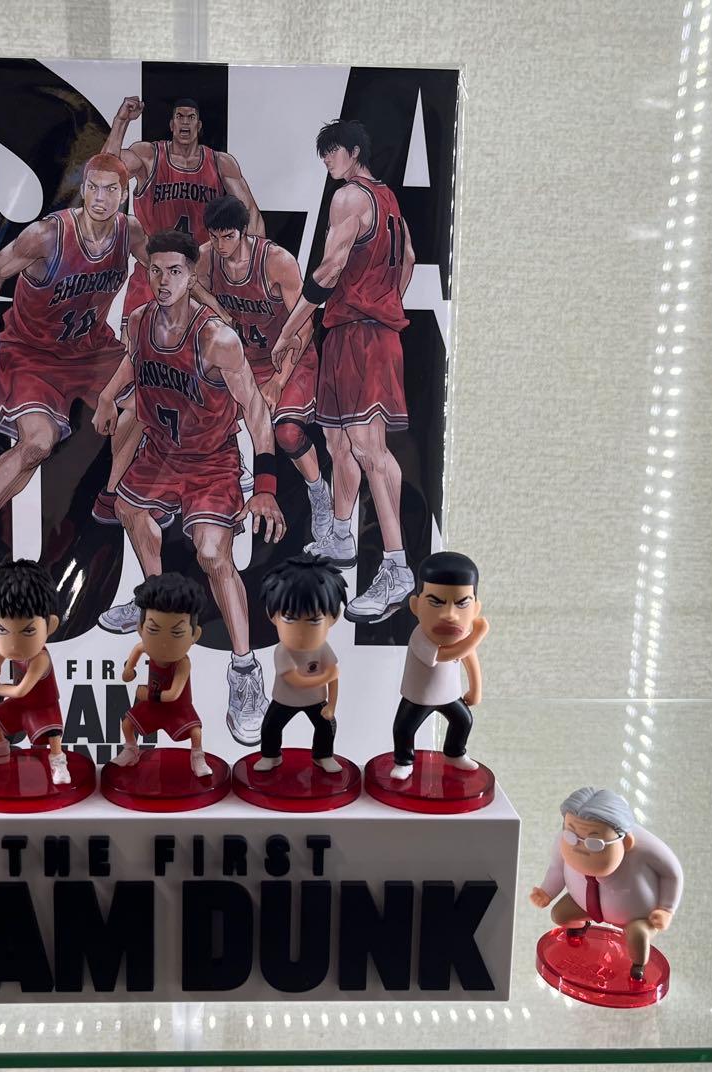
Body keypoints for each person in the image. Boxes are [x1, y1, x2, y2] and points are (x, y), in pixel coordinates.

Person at [0, 153, 191, 610]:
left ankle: (113, 495)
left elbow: (170, 273)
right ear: (83, 189)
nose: (100, 197)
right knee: (37, 445)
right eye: (93, 187)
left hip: (91, 350)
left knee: (153, 398)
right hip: (34, 354)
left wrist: (207, 315)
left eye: (111, 189)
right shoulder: (48, 234)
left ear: (123, 194)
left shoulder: (130, 232)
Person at [92, 229, 286, 746]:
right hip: (161, 453)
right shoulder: (139, 321)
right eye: (155, 270)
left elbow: (256, 410)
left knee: (212, 554)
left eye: (175, 271)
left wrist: (266, 485)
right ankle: (155, 599)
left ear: (191, 275)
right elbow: (134, 361)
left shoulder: (216, 338)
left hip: (210, 460)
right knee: (129, 509)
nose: (163, 281)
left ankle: (244, 670)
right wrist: (109, 396)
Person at [93, 96, 265, 523]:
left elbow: (252, 217)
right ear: (170, 124)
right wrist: (120, 123)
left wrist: (249, 266)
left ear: (199, 124)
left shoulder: (220, 163)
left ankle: (214, 466)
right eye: (178, 117)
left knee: (208, 383)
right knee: (139, 396)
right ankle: (117, 488)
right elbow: (106, 173)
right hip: (150, 283)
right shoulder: (150, 156)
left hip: (198, 280)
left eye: (191, 117)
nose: (185, 123)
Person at [272, 119, 417, 623]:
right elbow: (408, 258)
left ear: (354, 151)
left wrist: (291, 327)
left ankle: (396, 568)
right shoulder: (389, 200)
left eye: (332, 151)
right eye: (323, 154)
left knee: (370, 451)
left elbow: (329, 269)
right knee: (338, 442)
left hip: (361, 333)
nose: (326, 161)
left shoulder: (350, 196)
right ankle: (339, 534)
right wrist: (386, 300)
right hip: (355, 330)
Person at [197, 194, 332, 541]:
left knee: (286, 432)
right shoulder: (206, 257)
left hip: (286, 358)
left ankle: (318, 491)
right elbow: (192, 289)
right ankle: (235, 482)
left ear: (244, 231)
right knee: (201, 416)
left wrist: (278, 381)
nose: (221, 245)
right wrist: (215, 308)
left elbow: (304, 326)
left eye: (228, 237)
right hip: (243, 361)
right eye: (215, 237)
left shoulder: (275, 262)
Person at [530, 787, 684, 980]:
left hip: (636, 916)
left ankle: (637, 967)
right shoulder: (566, 837)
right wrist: (547, 892)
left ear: (626, 842)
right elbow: (556, 867)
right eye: (571, 836)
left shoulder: (647, 848)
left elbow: (673, 874)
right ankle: (580, 927)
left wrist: (666, 909)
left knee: (638, 935)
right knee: (560, 914)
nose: (579, 848)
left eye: (594, 843)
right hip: (583, 903)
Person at [0, 559, 70, 785]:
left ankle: (58, 761)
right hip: (21, 705)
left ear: (50, 626)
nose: (13, 644)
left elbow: (21, 690)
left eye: (28, 631)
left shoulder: (40, 659)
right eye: (2, 630)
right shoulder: (16, 651)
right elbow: (5, 652)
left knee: (52, 736)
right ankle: (0, 750)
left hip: (42, 706)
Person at [391, 551, 489, 780]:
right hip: (419, 697)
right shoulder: (419, 637)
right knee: (404, 728)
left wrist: (475, 690)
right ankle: (404, 761)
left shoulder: (463, 637)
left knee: (463, 720)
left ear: (475, 609)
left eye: (462, 604)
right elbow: (446, 654)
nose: (450, 615)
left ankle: (454, 753)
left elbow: (470, 658)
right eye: (436, 603)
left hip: (449, 695)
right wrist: (477, 635)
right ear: (416, 605)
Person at [110, 572, 211, 778]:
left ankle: (197, 756)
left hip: (178, 709)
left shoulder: (182, 663)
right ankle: (131, 750)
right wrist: (129, 670)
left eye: (176, 633)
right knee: (127, 723)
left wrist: (147, 694)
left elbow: (173, 694)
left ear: (194, 635)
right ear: (140, 629)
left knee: (195, 732)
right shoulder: (145, 647)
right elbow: (138, 650)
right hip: (153, 707)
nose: (164, 643)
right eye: (154, 631)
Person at [256, 555, 347, 774]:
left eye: (314, 621)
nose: (300, 631)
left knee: (326, 725)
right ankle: (271, 755)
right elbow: (295, 680)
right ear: (272, 616)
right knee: (271, 726)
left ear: (333, 618)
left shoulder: (323, 648)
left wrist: (332, 705)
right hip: (284, 699)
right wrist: (327, 676)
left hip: (316, 700)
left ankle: (323, 755)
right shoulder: (283, 651)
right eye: (290, 619)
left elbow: (334, 679)